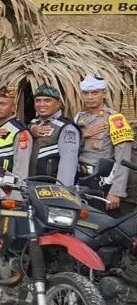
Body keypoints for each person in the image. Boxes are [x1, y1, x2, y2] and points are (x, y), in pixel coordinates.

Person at [74, 75, 133, 213]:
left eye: (95, 92)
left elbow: (123, 159)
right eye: (86, 93)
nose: (89, 97)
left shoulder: (115, 119)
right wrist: (84, 134)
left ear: (104, 94)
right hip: (79, 180)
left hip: (102, 183)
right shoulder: (78, 118)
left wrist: (116, 192)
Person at [26, 84, 79, 188]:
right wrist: (31, 130)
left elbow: (68, 164)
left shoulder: (66, 128)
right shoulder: (33, 123)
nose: (42, 104)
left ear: (58, 104)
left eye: (47, 100)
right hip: (30, 184)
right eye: (38, 100)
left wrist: (62, 190)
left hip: (50, 187)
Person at [0, 88, 26, 174]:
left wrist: (15, 186)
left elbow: (21, 168)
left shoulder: (19, 131)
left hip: (4, 185)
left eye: (2, 104)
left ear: (13, 108)